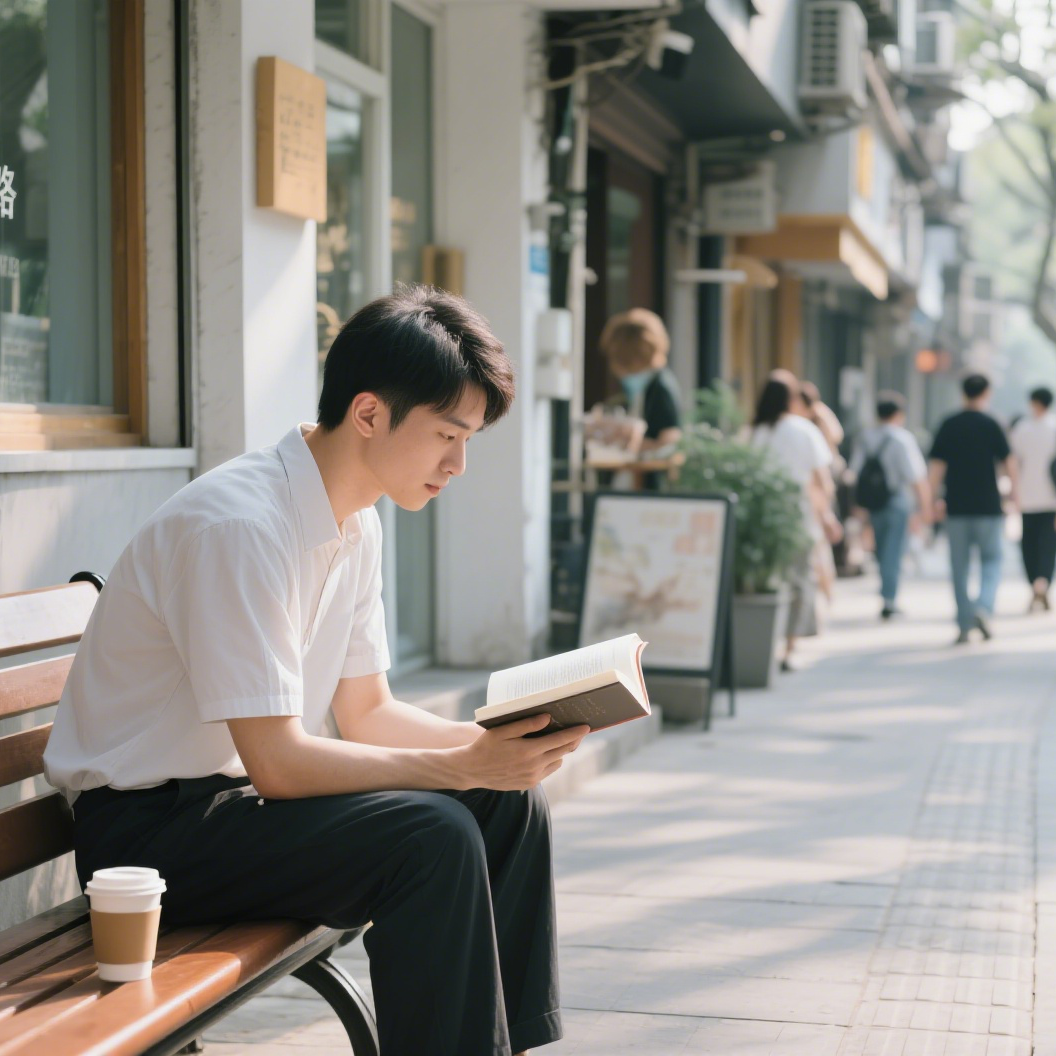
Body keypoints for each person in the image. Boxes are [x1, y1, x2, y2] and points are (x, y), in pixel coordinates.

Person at [42, 286, 587, 1056]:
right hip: (151, 838)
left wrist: (500, 744)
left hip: (228, 812)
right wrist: (462, 762)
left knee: (507, 804)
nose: (459, 465)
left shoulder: (353, 521)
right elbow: (279, 765)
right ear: (368, 414)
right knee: (431, 834)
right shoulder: (239, 526)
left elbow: (367, 713)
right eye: (446, 435)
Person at [750, 370, 842, 671]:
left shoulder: (754, 433)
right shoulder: (803, 430)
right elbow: (822, 481)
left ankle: (766, 643)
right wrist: (826, 515)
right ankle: (790, 646)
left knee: (766, 580)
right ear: (791, 399)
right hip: (799, 517)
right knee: (800, 580)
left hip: (761, 518)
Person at [928, 372, 1018, 644]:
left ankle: (964, 624)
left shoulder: (949, 424)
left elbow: (936, 468)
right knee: (992, 560)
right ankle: (983, 607)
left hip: (956, 506)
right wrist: (1014, 496)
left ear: (963, 392)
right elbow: (1009, 463)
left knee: (959, 567)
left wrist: (931, 502)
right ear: (987, 393)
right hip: (988, 505)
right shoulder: (993, 424)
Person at [850, 392, 932, 620]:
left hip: (873, 502)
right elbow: (916, 476)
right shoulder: (901, 438)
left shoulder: (865, 437)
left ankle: (887, 593)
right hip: (896, 500)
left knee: (881, 549)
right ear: (898, 414)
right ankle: (889, 598)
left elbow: (855, 473)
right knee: (894, 550)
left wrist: (858, 506)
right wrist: (925, 507)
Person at [598, 307, 683, 489]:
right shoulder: (642, 389)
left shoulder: (661, 388)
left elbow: (670, 440)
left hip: (648, 485)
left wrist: (630, 445)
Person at [797, 380, 844, 602]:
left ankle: (827, 589)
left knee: (820, 539)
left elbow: (836, 436)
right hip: (811, 483)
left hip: (820, 482)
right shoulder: (798, 425)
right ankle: (826, 589)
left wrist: (820, 412)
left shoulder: (816, 420)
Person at [1010, 385, 1056, 610]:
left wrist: (1012, 493)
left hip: (1027, 497)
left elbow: (1013, 463)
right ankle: (1043, 584)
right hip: (1051, 499)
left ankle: (1034, 585)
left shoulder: (1022, 429)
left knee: (1029, 544)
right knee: (1048, 544)